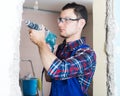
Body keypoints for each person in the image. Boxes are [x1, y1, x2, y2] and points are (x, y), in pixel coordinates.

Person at [28, 2, 96, 96]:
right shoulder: (60, 48)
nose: (60, 24)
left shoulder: (87, 54)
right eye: (60, 19)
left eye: (66, 20)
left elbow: (58, 70)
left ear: (81, 23)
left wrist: (41, 42)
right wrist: (47, 49)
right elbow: (49, 77)